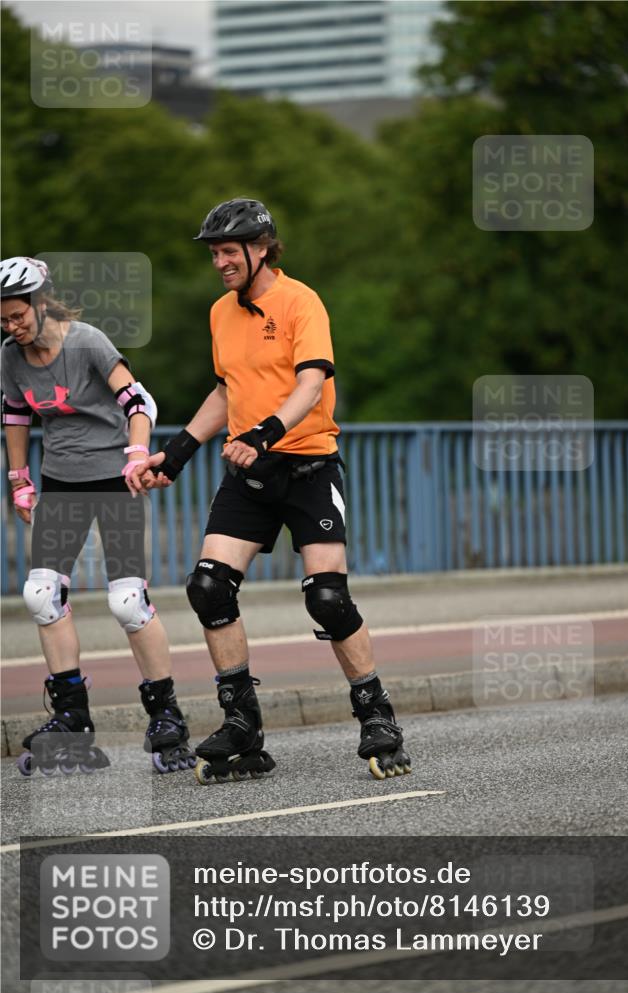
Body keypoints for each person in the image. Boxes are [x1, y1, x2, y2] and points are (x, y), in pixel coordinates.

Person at [137, 198, 412, 784]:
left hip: (309, 469)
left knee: (328, 599)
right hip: (250, 476)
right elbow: (225, 392)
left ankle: (377, 717)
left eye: (229, 252)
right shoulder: (220, 313)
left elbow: (311, 383)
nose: (220, 263)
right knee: (208, 587)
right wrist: (180, 450)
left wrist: (265, 432)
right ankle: (242, 725)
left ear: (261, 249)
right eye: (214, 254)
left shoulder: (300, 301)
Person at [0, 256, 194, 775]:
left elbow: (139, 401)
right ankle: (72, 721)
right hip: (61, 482)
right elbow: (15, 412)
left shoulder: (86, 341)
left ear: (42, 303)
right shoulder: (10, 356)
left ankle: (167, 716)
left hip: (115, 477)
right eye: (3, 320)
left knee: (128, 602)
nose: (12, 326)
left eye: (18, 315)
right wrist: (19, 478)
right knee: (41, 595)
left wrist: (136, 453)